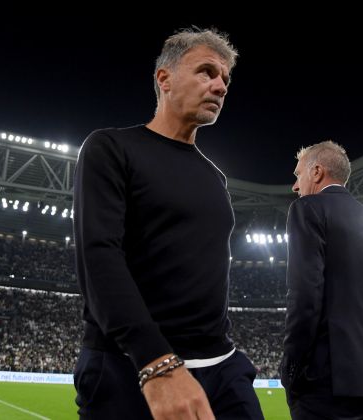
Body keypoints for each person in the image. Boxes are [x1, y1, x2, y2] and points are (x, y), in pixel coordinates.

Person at [72, 27, 263, 420]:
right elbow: (99, 256)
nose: (220, 86)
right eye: (207, 72)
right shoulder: (111, 148)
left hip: (222, 366)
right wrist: (156, 361)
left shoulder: (216, 178)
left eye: (225, 79)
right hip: (133, 367)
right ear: (164, 78)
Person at [280, 140, 363, 419]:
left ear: (316, 172)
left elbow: (304, 296)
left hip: (326, 383)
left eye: (297, 175)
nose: (295, 186)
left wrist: (291, 367)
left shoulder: (308, 209)